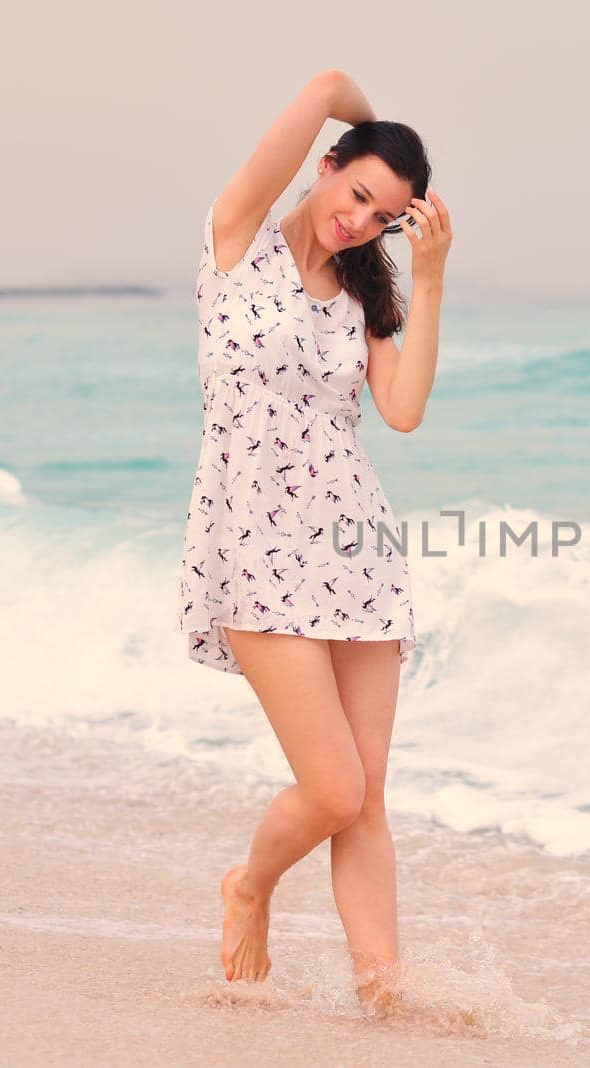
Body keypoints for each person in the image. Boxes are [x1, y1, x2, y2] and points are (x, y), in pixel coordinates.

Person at [174, 68, 450, 1011]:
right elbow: (328, 83)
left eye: (384, 215)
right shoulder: (236, 242)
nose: (361, 220)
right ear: (325, 165)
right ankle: (249, 884)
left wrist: (431, 273)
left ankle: (387, 997)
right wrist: (376, 121)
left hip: (358, 554)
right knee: (330, 788)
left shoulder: (364, 292)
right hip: (252, 550)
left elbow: (402, 411)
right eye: (358, 192)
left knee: (366, 798)